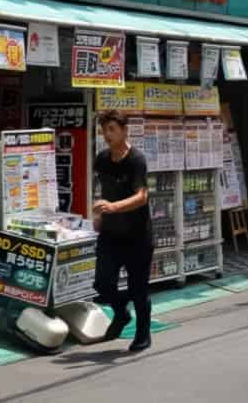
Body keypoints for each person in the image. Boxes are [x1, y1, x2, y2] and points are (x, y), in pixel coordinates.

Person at [92, 109, 154, 351]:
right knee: (102, 283)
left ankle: (143, 334)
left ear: (124, 130)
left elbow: (142, 196)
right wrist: (98, 213)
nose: (107, 135)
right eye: (104, 130)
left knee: (138, 288)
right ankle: (121, 313)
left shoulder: (136, 160)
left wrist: (113, 207)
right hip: (110, 234)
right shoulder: (102, 160)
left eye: (112, 130)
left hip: (137, 235)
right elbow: (100, 190)